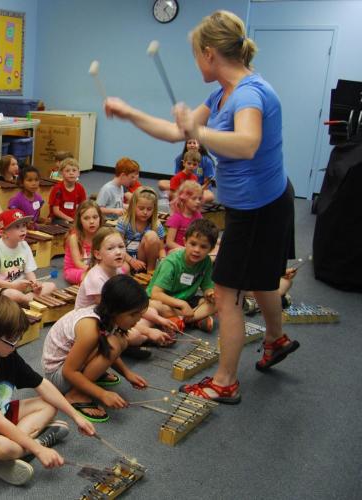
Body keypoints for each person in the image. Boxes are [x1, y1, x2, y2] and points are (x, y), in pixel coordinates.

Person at [104, 10, 298, 403]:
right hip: (261, 202)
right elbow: (178, 131)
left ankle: (225, 382)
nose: (196, 64)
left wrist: (198, 132)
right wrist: (129, 114)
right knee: (261, 281)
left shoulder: (248, 93)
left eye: (196, 55)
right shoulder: (220, 94)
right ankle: (276, 340)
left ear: (210, 54)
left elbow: (247, 143)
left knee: (227, 297)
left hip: (260, 207)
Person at [0, 293, 96, 486]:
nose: (17, 343)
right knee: (7, 448)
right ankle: (16, 451)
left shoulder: (6, 353)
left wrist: (75, 415)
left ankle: (18, 448)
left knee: (49, 405)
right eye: (13, 339)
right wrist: (39, 450)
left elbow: (42, 385)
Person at [43, 274, 149, 422]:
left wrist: (127, 373)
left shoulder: (107, 315)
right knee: (115, 344)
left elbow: (105, 347)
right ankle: (75, 395)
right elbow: (69, 371)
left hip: (70, 363)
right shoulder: (90, 328)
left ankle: (90, 374)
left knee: (120, 341)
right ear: (115, 310)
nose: (138, 320)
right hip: (57, 375)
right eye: (133, 315)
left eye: (140, 314)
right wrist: (102, 394)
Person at [75, 228, 175, 348]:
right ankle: (124, 344)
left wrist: (160, 320)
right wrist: (148, 331)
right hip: (94, 323)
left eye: (121, 247)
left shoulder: (117, 271)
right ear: (97, 254)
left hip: (116, 314)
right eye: (110, 248)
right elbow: (114, 316)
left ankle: (132, 339)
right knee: (136, 336)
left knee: (151, 312)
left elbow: (130, 304)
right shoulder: (96, 279)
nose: (118, 252)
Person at [148, 219, 219, 333]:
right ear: (185, 242)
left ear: (211, 249)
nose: (197, 250)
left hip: (187, 300)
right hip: (166, 301)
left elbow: (207, 287)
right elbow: (156, 294)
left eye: (203, 247)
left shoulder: (206, 262)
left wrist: (209, 294)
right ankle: (193, 318)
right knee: (154, 306)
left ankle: (181, 319)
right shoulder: (171, 262)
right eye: (193, 244)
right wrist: (182, 304)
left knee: (219, 300)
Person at [0, 209, 56, 306]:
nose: (23, 229)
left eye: (24, 225)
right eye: (17, 227)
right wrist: (12, 286)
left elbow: (29, 271)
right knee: (12, 294)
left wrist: (34, 284)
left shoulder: (24, 245)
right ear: (3, 233)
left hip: (20, 285)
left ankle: (27, 299)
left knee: (52, 286)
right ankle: (28, 299)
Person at [116, 187, 166, 273]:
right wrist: (131, 261)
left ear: (154, 209)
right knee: (123, 269)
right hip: (126, 258)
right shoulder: (124, 222)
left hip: (145, 260)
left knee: (152, 235)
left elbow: (161, 249)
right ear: (133, 206)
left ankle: (150, 271)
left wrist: (163, 260)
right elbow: (118, 246)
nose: (145, 212)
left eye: (149, 209)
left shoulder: (156, 224)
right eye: (141, 208)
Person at [159, 138, 216, 203]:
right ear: (184, 163)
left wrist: (195, 190)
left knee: (210, 196)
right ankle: (189, 199)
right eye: (189, 143)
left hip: (199, 187)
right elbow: (177, 178)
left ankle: (185, 199)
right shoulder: (179, 158)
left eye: (194, 143)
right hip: (182, 186)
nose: (192, 145)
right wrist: (183, 188)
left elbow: (206, 183)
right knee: (161, 183)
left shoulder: (207, 161)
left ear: (199, 145)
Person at [63, 199, 102, 285]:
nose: (91, 221)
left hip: (95, 268)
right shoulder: (74, 238)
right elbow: (78, 263)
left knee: (124, 267)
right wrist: (96, 271)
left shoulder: (102, 235)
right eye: (86, 218)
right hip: (74, 269)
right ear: (80, 220)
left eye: (95, 217)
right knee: (89, 277)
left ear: (100, 218)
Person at [166, 180, 204, 251]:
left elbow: (203, 233)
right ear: (184, 199)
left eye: (199, 199)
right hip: (177, 251)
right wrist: (186, 250)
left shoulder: (198, 216)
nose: (198, 202)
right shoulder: (176, 218)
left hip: (193, 249)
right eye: (194, 198)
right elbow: (169, 242)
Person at [48, 158, 87, 224]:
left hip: (74, 218)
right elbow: (56, 211)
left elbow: (83, 206)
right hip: (58, 218)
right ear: (61, 173)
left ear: (78, 173)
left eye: (74, 170)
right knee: (67, 224)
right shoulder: (57, 189)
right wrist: (70, 219)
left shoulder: (80, 188)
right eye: (67, 171)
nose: (71, 173)